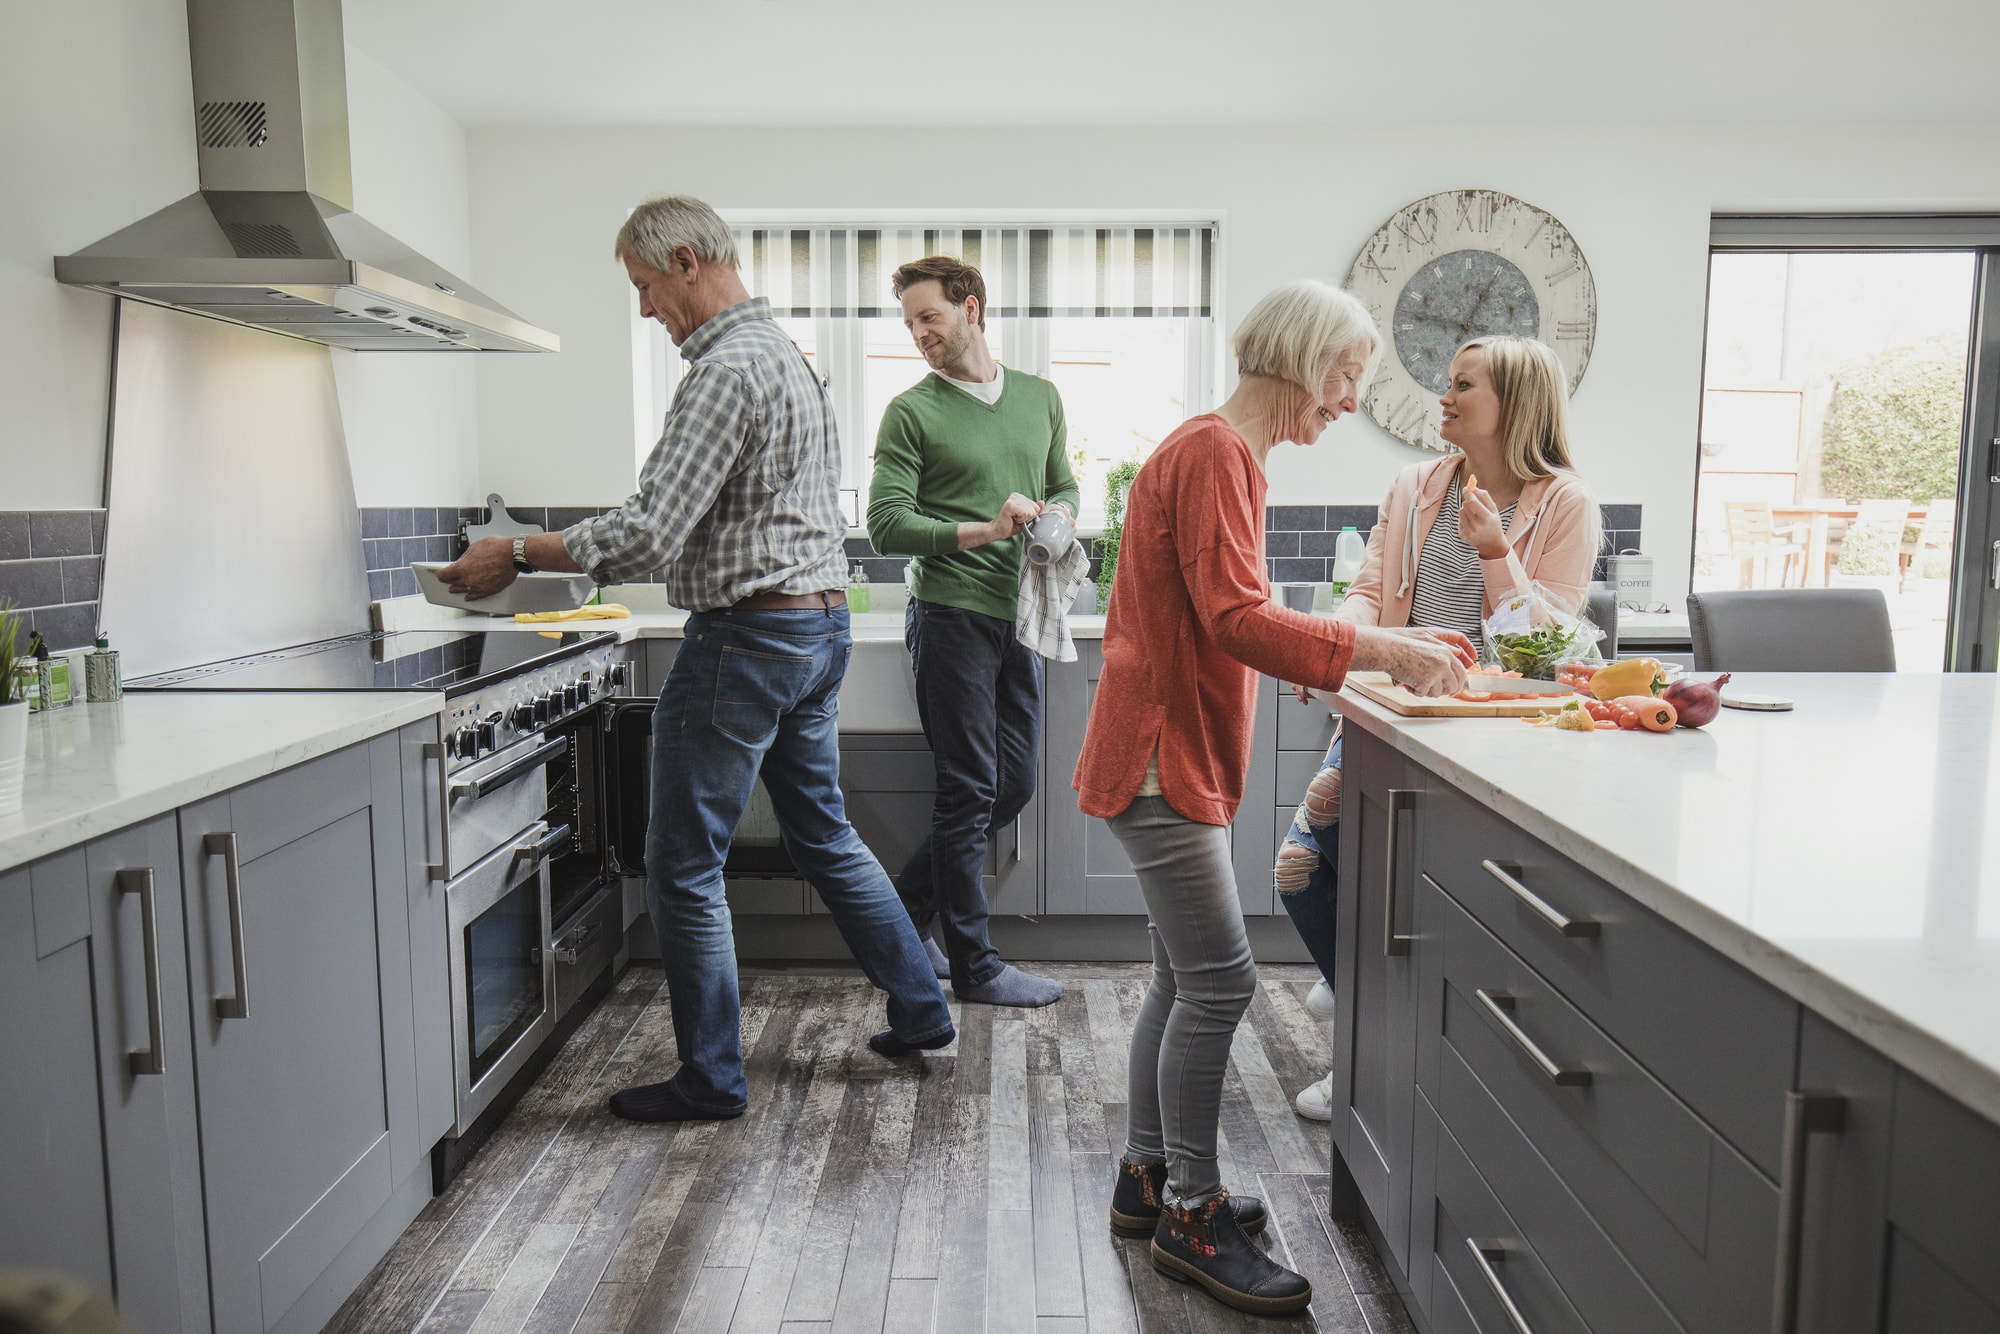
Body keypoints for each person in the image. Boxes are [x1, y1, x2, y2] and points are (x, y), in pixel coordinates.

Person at [438, 195, 954, 1124]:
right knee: (824, 833)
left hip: (749, 639)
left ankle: (711, 1077)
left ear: (684, 261)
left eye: (643, 287)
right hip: (816, 627)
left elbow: (649, 530)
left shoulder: (725, 370)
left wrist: (515, 552)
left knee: (682, 862)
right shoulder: (790, 359)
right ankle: (924, 1012)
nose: (644, 309)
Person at [1075, 280, 1473, 1316]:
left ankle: (1147, 1177)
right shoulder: (1214, 453)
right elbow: (1237, 616)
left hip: (1162, 752)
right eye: (1346, 374)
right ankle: (1192, 1214)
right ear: (1301, 358)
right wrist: (1377, 644)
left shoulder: (1213, 451)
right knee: (1218, 982)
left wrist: (1330, 655)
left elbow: (1226, 614)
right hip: (1162, 758)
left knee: (1178, 976)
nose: (1348, 400)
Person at [1281, 335, 1601, 1123]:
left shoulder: (1565, 504)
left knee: (1426, 905)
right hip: (1394, 708)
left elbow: (1548, 647)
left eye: (1464, 385)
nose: (1444, 397)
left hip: (1489, 732)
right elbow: (1366, 591)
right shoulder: (1416, 485)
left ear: (1514, 403)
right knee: (1297, 869)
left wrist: (1496, 550)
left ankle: (1375, 1056)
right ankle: (1358, 1000)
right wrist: (1327, 649)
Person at [866, 255, 1077, 1009]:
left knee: (1010, 781)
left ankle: (896, 920)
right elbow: (886, 526)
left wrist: (1058, 517)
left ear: (972, 309)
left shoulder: (1040, 398)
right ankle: (977, 966)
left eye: (930, 317)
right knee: (967, 791)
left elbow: (1065, 483)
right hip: (950, 613)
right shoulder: (911, 412)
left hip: (1020, 613)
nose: (920, 333)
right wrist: (985, 529)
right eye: (910, 323)